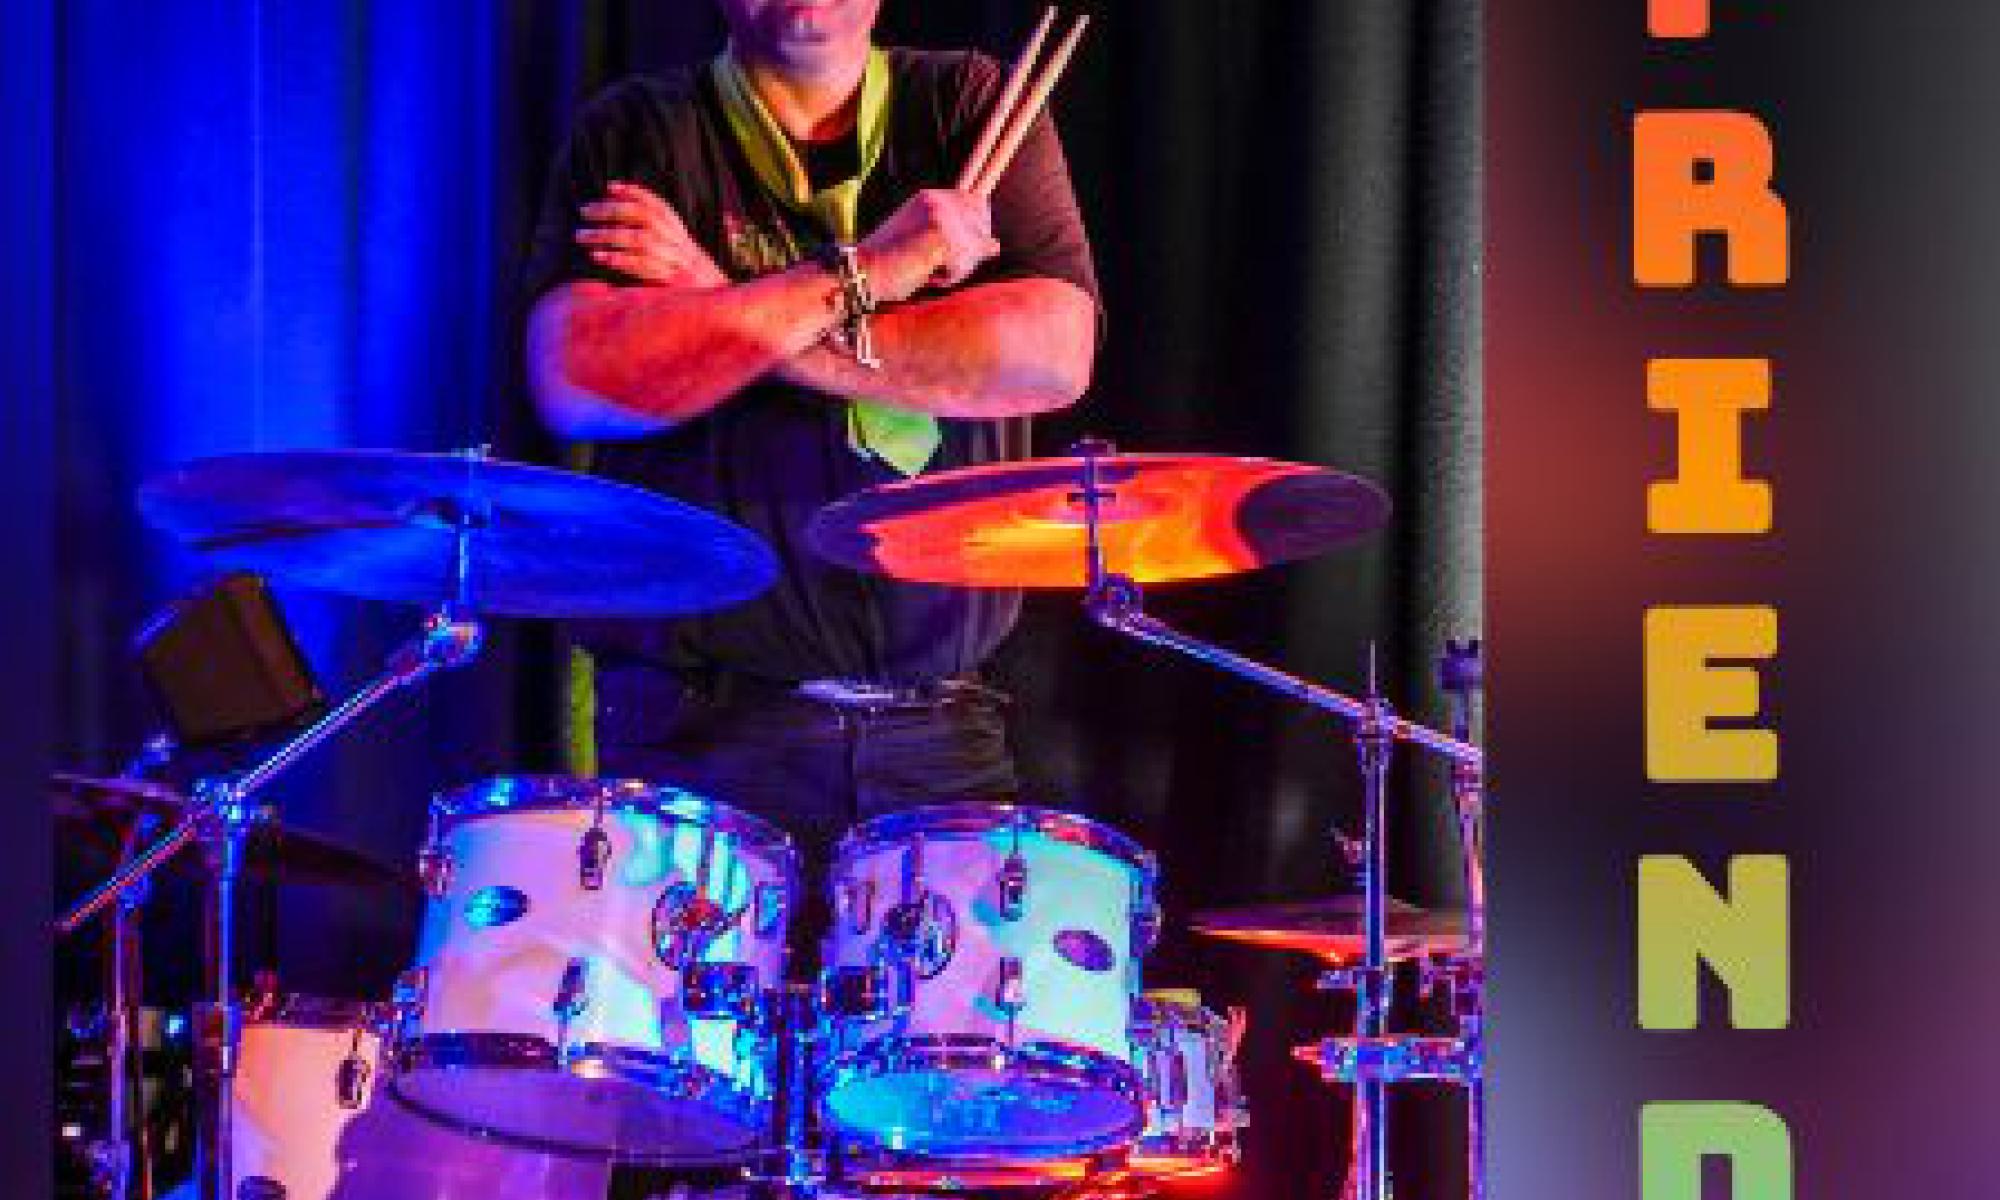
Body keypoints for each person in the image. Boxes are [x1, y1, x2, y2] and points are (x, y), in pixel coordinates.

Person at [523, 0, 1098, 897]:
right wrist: (872, 273)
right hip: (700, 729)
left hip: (941, 732)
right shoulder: (640, 130)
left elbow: (1050, 354)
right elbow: (579, 381)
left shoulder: (965, 102)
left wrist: (723, 301)